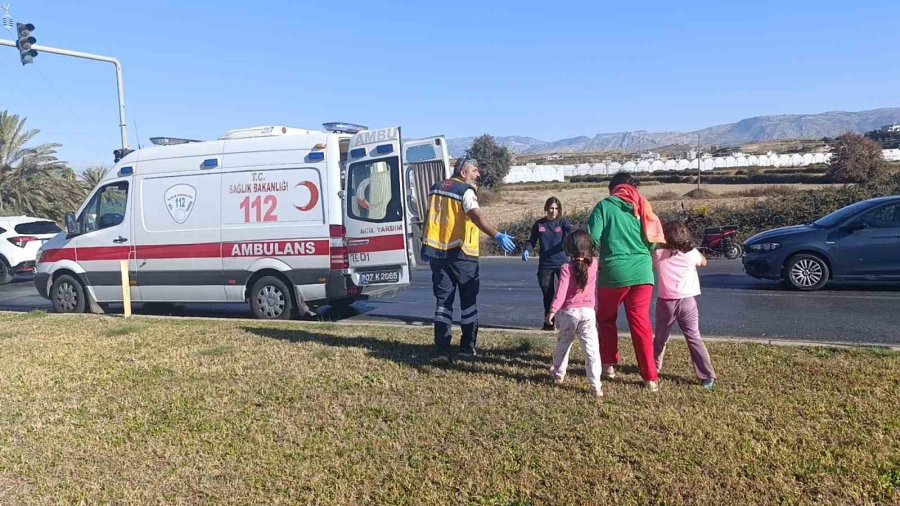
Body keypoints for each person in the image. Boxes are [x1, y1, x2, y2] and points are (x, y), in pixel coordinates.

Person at [421, 156, 517, 365]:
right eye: (475, 171)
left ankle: (442, 350)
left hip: (438, 254)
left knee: (443, 304)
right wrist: (496, 235)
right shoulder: (465, 191)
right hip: (463, 254)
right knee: (468, 304)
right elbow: (475, 215)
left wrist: (425, 245)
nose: (478, 174)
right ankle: (466, 348)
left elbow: (431, 218)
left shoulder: (436, 188)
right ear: (463, 173)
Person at [587, 172, 665, 391]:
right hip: (643, 274)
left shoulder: (604, 207)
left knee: (606, 319)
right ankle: (650, 378)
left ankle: (609, 364)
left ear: (613, 188)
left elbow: (592, 236)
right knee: (641, 324)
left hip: (614, 272)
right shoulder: (643, 205)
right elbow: (652, 243)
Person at [652, 221, 717, 389]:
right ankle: (707, 376)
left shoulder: (658, 254)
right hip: (688, 301)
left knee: (660, 337)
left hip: (666, 302)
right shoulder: (692, 254)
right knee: (694, 337)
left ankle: (653, 368)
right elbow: (703, 262)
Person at [545, 230, 604, 397]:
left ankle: (558, 374)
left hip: (569, 313)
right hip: (588, 313)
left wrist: (552, 310)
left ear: (568, 249)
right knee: (591, 350)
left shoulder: (566, 268)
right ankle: (596, 386)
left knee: (564, 344)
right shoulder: (594, 265)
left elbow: (561, 292)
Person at [522, 197, 574, 331]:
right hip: (545, 265)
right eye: (551, 208)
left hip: (562, 263)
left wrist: (570, 243)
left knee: (566, 293)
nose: (553, 211)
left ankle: (569, 324)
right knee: (547, 294)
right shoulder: (539, 224)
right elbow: (532, 241)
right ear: (546, 208)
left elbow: (572, 231)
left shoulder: (562, 222)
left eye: (556, 208)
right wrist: (527, 250)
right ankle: (549, 324)